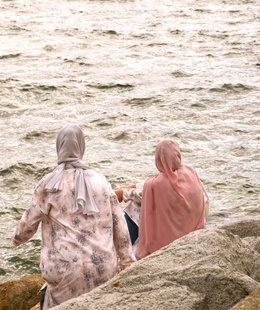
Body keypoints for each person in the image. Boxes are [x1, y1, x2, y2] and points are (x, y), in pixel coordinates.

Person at [13, 124, 136, 310]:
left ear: (59, 146)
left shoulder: (48, 184)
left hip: (64, 271)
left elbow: (26, 229)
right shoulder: (100, 180)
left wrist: (17, 238)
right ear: (81, 147)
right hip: (103, 269)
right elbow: (120, 225)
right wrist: (127, 262)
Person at [116, 139, 208, 259]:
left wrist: (121, 192)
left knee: (134, 207)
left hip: (167, 239)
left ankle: (123, 247)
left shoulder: (154, 184)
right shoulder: (190, 172)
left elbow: (139, 194)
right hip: (190, 229)